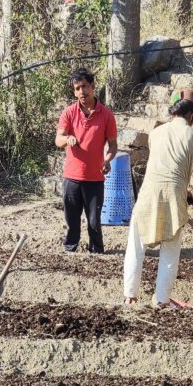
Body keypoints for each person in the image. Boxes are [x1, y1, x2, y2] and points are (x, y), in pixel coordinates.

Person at [123, 88, 193, 308]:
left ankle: (129, 296)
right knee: (170, 250)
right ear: (192, 116)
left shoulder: (155, 134)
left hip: (147, 195)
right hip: (174, 197)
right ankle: (162, 300)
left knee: (136, 246)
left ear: (172, 112)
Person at [55, 68, 118, 254]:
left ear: (93, 86)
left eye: (85, 86)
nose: (81, 91)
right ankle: (70, 249)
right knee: (72, 220)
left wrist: (107, 160)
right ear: (74, 91)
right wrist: (67, 139)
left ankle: (97, 251)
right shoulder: (68, 113)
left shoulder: (106, 115)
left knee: (94, 221)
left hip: (95, 178)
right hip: (72, 178)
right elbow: (58, 139)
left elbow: (113, 145)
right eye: (77, 88)